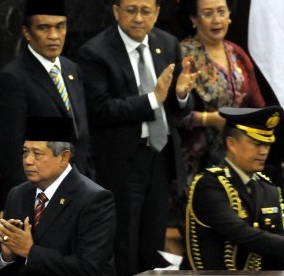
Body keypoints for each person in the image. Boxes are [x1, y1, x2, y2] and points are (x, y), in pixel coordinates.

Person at [77, 0, 199, 273]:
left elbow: (178, 107)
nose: (138, 18)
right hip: (121, 164)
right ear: (116, 11)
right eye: (131, 10)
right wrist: (152, 99)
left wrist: (181, 95)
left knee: (153, 242)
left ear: (156, 13)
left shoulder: (167, 44)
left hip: (160, 159)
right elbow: (100, 109)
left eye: (146, 11)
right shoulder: (95, 52)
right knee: (125, 244)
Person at [0, 0, 94, 211]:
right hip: (41, 200)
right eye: (44, 28)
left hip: (78, 191)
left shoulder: (71, 69)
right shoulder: (13, 79)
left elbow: (80, 135)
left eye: (60, 26)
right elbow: (10, 156)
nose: (54, 35)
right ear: (27, 33)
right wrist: (36, 203)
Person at [0, 116, 117, 276]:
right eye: (25, 152)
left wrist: (30, 251)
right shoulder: (17, 195)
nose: (28, 161)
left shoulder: (95, 200)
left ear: (63, 158)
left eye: (37, 154)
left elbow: (89, 268)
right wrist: (7, 256)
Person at [181, 105, 284, 270]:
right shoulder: (209, 185)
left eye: (267, 145)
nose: (264, 151)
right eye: (256, 144)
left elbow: (276, 248)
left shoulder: (268, 188)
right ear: (232, 144)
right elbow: (240, 233)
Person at [177, 0, 265, 181]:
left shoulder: (237, 53)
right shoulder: (182, 55)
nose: (217, 20)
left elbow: (259, 106)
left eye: (221, 12)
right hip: (196, 164)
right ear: (194, 19)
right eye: (208, 14)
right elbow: (170, 114)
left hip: (237, 159)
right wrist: (208, 119)